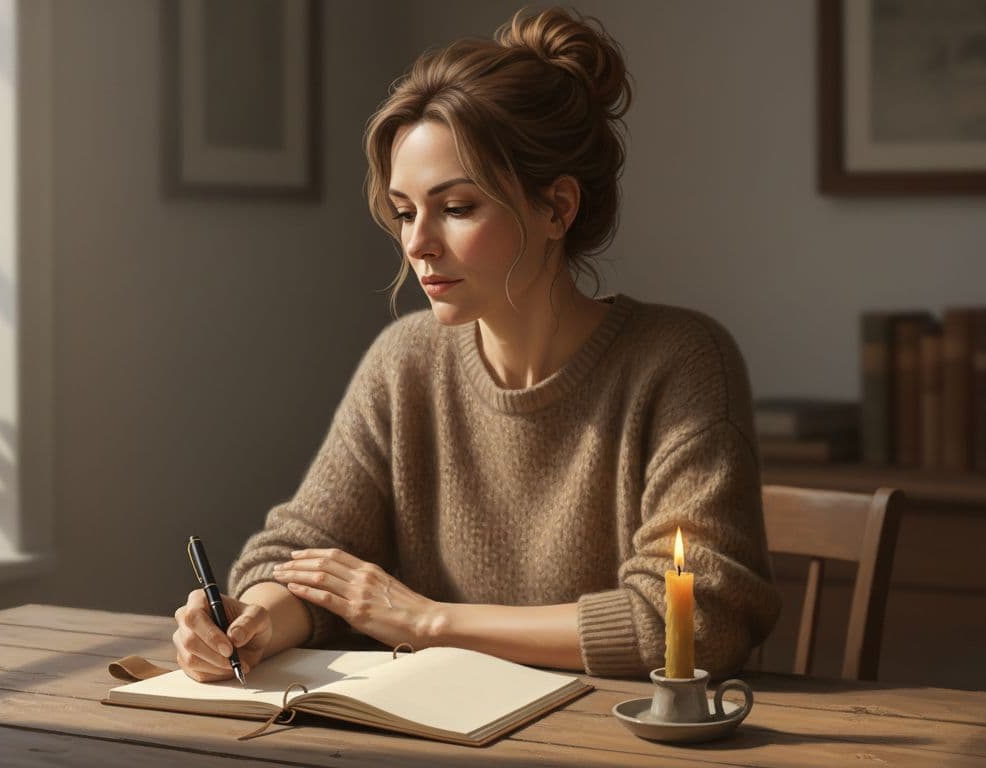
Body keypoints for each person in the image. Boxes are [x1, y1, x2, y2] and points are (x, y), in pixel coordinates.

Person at [172, 6, 779, 682]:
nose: (417, 242)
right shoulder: (405, 363)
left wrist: (429, 622)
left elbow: (696, 619)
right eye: (405, 211)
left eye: (456, 208)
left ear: (558, 208)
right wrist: (251, 620)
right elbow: (302, 553)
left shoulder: (679, 362)